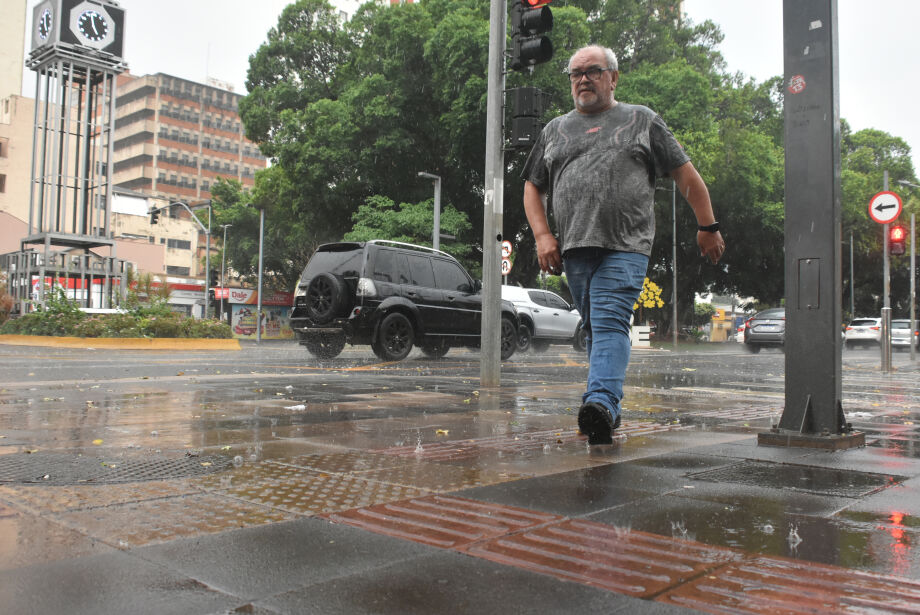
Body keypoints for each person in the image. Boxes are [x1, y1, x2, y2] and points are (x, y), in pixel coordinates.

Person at [522, 45, 725, 444]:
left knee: (611, 320)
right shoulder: (554, 130)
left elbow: (686, 176)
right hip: (575, 249)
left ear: (613, 78)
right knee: (597, 326)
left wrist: (708, 225)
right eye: (575, 73)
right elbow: (532, 187)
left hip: (626, 246)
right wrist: (543, 235)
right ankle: (609, 407)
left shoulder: (641, 120)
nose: (583, 79)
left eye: (593, 71)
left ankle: (598, 402)